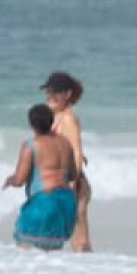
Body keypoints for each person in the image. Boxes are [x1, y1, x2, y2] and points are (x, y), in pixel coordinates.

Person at [8, 103, 78, 250]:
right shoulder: (65, 143)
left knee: (25, 251)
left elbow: (20, 180)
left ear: (31, 124)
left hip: (44, 202)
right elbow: (72, 174)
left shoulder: (31, 145)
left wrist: (10, 180)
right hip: (67, 203)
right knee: (52, 257)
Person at [42, 72, 91, 251]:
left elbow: (77, 152)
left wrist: (71, 184)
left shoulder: (68, 118)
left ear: (67, 94)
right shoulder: (56, 117)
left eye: (56, 93)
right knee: (71, 242)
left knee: (80, 243)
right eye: (48, 92)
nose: (50, 96)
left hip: (74, 186)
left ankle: (92, 273)